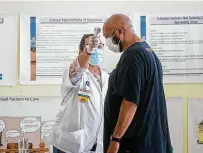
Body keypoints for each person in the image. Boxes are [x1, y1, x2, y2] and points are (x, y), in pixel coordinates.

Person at [102, 14, 173, 153]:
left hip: (134, 144)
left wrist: (116, 140)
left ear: (119, 32)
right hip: (148, 141)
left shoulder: (132, 56)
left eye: (108, 37)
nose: (107, 42)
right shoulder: (147, 51)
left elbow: (130, 102)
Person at [47, 34, 109, 153]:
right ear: (81, 50)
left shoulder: (107, 77)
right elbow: (78, 67)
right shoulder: (73, 72)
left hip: (97, 146)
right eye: (91, 46)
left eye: (100, 46)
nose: (96, 49)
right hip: (71, 145)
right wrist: (89, 50)